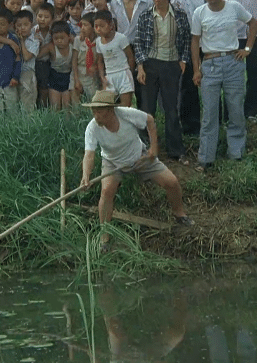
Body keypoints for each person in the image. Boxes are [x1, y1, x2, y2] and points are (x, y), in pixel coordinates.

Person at [80, 90, 192, 251]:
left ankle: (180, 214)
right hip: (113, 164)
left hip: (139, 158)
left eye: (99, 111)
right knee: (106, 192)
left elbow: (150, 121)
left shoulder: (126, 114)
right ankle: (105, 238)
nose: (95, 115)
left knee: (172, 182)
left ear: (110, 110)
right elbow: (89, 155)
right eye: (93, 111)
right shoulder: (92, 128)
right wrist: (86, 176)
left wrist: (153, 150)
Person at [191, 0, 257, 171]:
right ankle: (206, 158)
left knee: (235, 108)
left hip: (233, 61)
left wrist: (247, 49)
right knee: (210, 113)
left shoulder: (234, 7)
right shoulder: (199, 13)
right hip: (210, 63)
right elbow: (195, 41)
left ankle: (236, 154)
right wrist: (196, 69)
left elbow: (253, 24)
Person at [134, 0, 191, 161]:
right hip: (150, 64)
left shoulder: (180, 15)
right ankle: (146, 148)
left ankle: (176, 149)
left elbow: (187, 40)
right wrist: (141, 66)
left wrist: (183, 60)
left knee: (171, 108)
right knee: (147, 109)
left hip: (171, 64)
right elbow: (139, 43)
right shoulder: (145, 16)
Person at [168, 0, 203, 135]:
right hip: (183, 40)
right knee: (188, 82)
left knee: (211, 79)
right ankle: (191, 126)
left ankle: (216, 119)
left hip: (207, 37)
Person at [95, 10, 136, 107]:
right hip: (109, 76)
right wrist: (102, 77)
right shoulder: (98, 42)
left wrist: (129, 72)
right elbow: (100, 61)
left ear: (111, 25)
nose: (99, 29)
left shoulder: (121, 38)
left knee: (126, 106)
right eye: (96, 26)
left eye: (102, 26)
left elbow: (130, 57)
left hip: (123, 73)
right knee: (107, 105)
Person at [38, 20, 74, 108]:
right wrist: (39, 44)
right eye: (56, 38)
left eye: (62, 38)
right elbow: (37, 56)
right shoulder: (51, 47)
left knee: (67, 107)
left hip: (68, 78)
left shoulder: (73, 44)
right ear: (52, 38)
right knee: (55, 107)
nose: (59, 41)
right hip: (54, 78)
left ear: (69, 36)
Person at [72, 12, 101, 103]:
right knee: (76, 103)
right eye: (81, 25)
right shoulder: (78, 40)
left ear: (94, 27)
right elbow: (74, 60)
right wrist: (76, 80)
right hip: (79, 74)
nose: (82, 28)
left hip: (92, 77)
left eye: (85, 25)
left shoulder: (99, 41)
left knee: (92, 101)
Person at [15, 9, 41, 110]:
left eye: (26, 25)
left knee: (27, 104)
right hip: (14, 73)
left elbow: (26, 57)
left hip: (27, 74)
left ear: (32, 24)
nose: (22, 28)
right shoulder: (12, 38)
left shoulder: (35, 40)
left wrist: (21, 41)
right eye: (19, 25)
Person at [33, 3, 56, 106]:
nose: (42, 19)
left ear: (52, 18)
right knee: (36, 86)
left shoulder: (53, 32)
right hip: (35, 63)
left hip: (49, 63)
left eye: (46, 17)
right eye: (40, 16)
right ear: (36, 16)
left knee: (45, 88)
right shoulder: (32, 31)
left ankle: (44, 107)